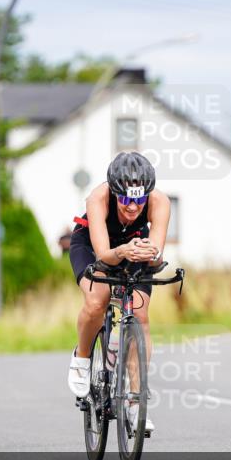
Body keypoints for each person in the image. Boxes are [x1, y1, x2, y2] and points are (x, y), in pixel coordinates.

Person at [66, 152, 170, 433]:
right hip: (93, 246)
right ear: (114, 192)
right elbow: (102, 256)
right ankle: (83, 358)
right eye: (125, 199)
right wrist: (122, 251)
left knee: (139, 312)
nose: (133, 207)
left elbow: (157, 254)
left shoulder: (160, 202)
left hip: (133, 247)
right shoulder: (97, 198)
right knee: (97, 299)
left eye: (139, 199)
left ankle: (136, 402)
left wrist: (153, 255)